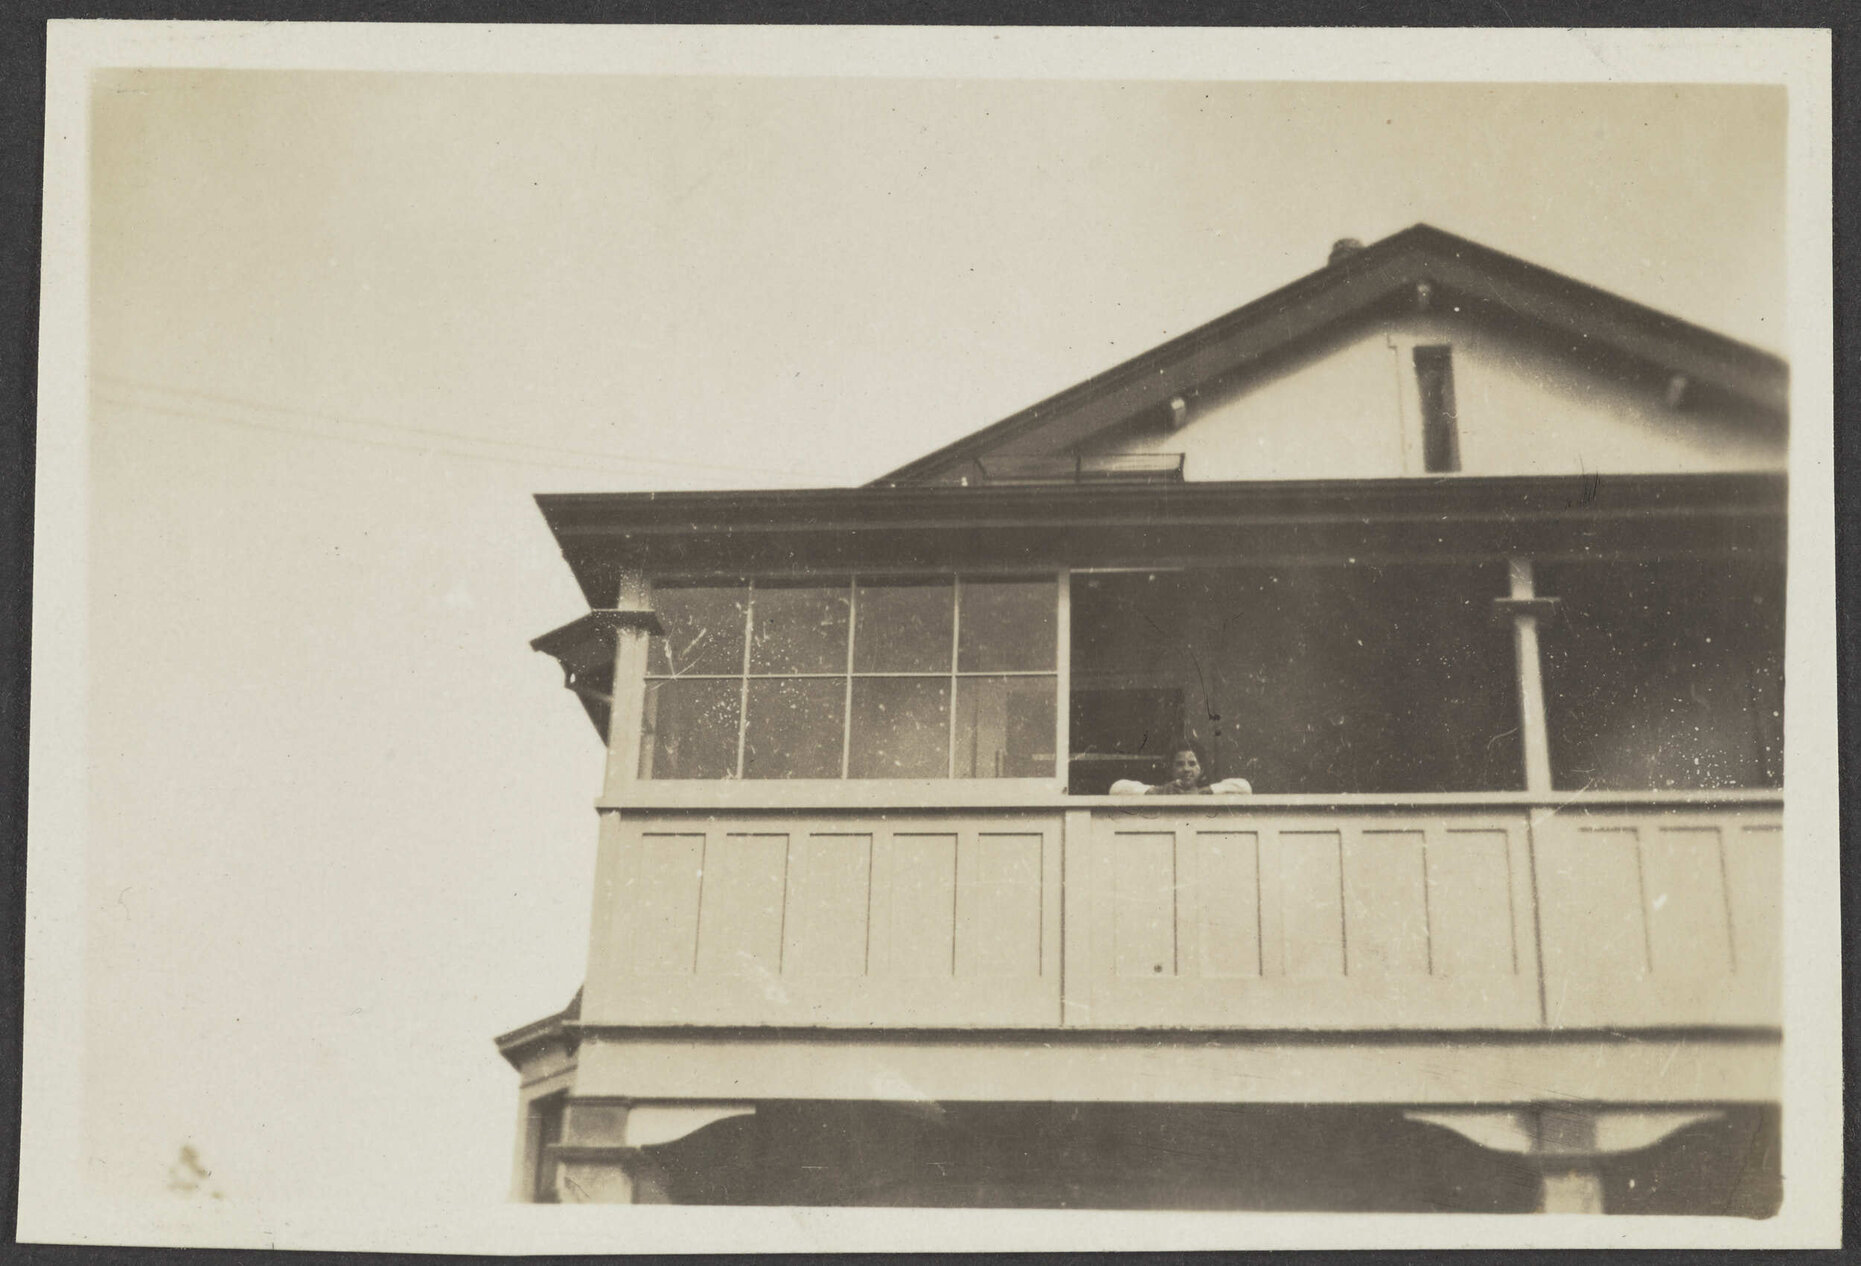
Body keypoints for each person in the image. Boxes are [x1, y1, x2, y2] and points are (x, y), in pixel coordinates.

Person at [1109, 744, 1252, 796]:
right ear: (1170, 768)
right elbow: (1116, 789)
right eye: (1179, 764)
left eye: (1192, 763)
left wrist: (1204, 791)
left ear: (1201, 769)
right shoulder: (1162, 792)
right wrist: (1158, 791)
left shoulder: (1210, 793)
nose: (1186, 769)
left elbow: (1245, 788)